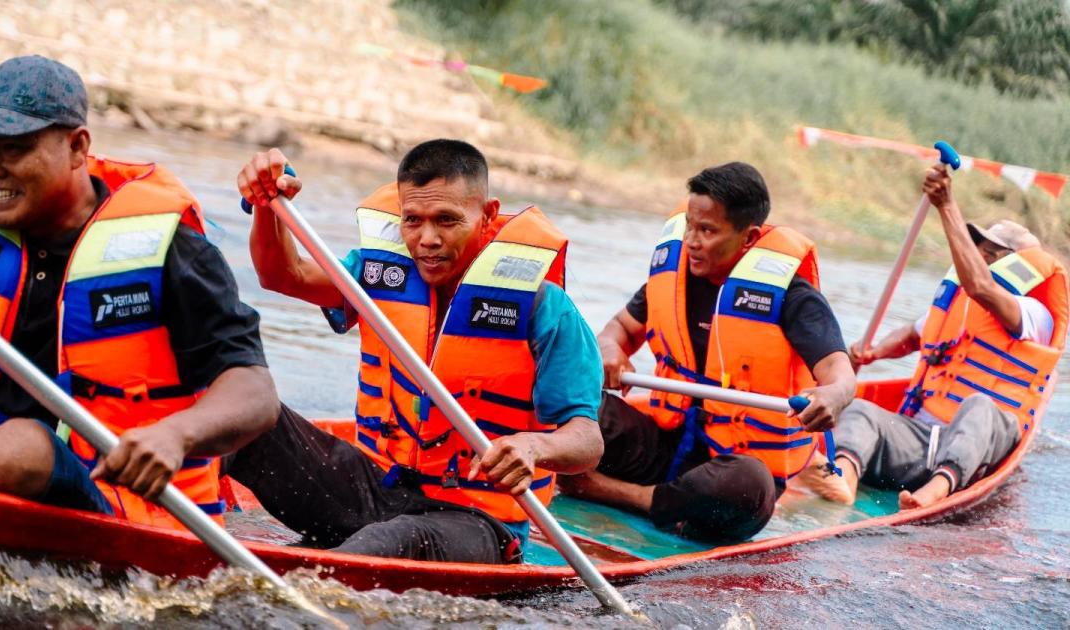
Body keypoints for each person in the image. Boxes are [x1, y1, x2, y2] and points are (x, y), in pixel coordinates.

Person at [0, 56, 278, 528]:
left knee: (19, 449)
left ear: (77, 147)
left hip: (104, 482)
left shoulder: (167, 250)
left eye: (13, 149)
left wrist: (176, 435)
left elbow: (255, 392)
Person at [228, 139, 604, 563]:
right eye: (413, 220)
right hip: (376, 486)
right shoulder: (380, 272)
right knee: (239, 418)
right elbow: (284, 274)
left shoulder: (544, 307)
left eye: (447, 220)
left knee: (392, 542)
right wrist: (266, 203)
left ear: (488, 214)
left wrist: (534, 448)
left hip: (476, 519)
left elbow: (587, 441)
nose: (427, 239)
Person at [558, 162, 856, 542]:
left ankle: (610, 491)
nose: (691, 242)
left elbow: (840, 373)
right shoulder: (675, 277)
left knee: (749, 486)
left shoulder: (793, 297)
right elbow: (618, 329)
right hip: (666, 449)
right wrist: (608, 347)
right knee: (573, 399)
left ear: (748, 238)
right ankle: (661, 498)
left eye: (707, 231)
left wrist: (834, 394)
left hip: (734, 468)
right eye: (689, 227)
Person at [801, 163, 1067, 510]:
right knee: (863, 411)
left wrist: (946, 205)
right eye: (978, 247)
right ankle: (844, 477)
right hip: (921, 437)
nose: (976, 253)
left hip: (975, 443)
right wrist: (873, 352)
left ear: (1013, 263)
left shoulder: (1034, 314)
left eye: (989, 250)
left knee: (979, 406)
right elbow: (913, 334)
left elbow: (981, 287)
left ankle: (935, 491)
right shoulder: (961, 309)